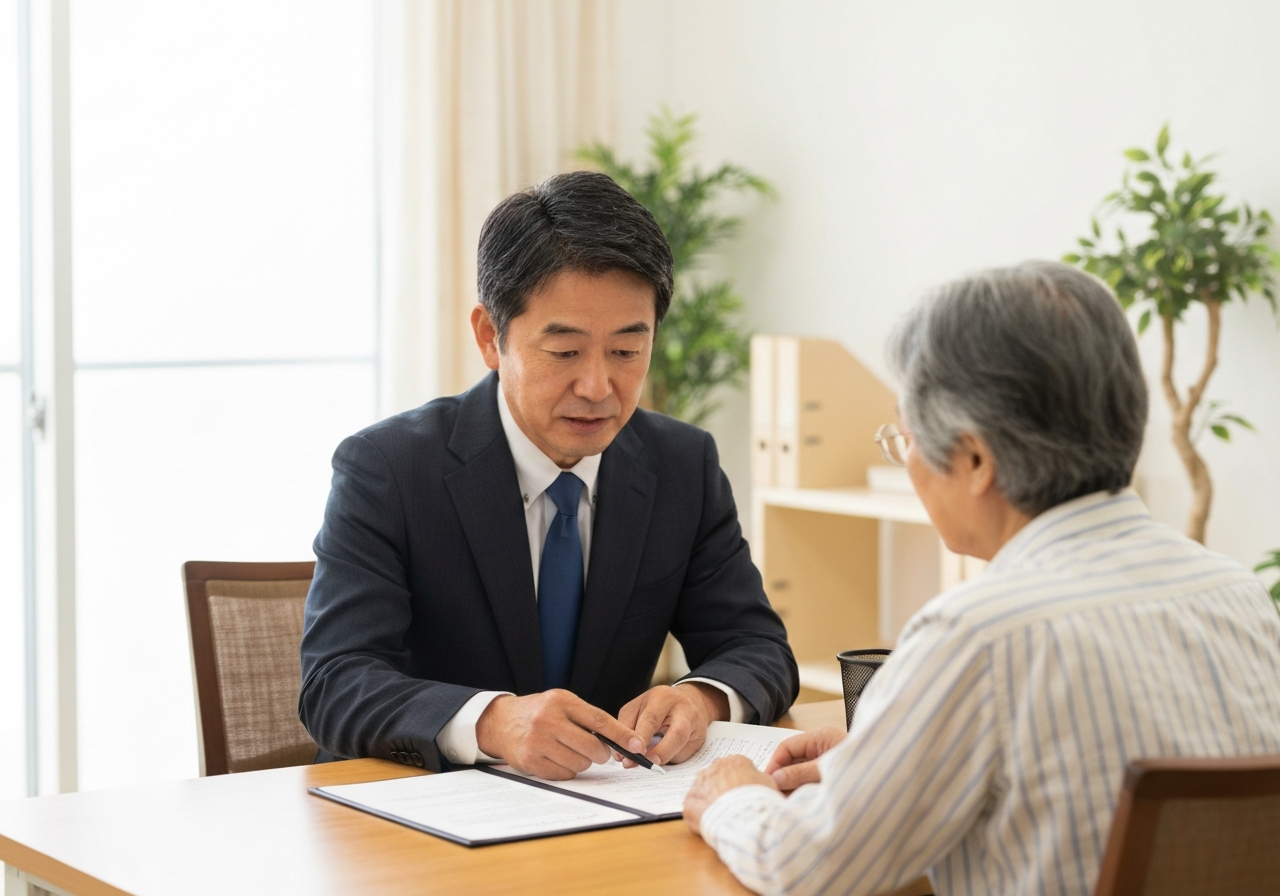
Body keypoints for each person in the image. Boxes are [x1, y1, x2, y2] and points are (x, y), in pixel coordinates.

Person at [683, 261, 1280, 895]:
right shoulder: (1240, 596)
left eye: (906, 437)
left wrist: (732, 796)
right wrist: (876, 765)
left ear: (974, 459)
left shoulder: (977, 634)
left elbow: (808, 867)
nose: (908, 462)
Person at [299, 170, 798, 781]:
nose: (597, 387)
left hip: (605, 809)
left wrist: (703, 697)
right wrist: (491, 722)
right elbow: (335, 680)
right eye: (564, 352)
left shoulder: (680, 465)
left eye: (626, 351)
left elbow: (757, 647)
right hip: (425, 808)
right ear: (491, 337)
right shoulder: (389, 469)